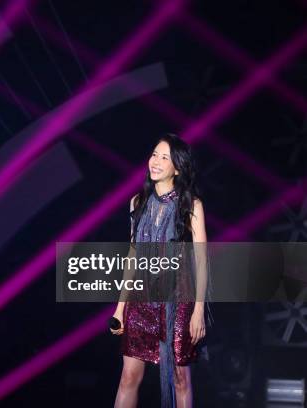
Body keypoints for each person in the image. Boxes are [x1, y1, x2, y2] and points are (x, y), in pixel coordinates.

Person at [110, 134, 210, 408]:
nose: (156, 161)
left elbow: (201, 261)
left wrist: (198, 311)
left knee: (180, 379)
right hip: (140, 302)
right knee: (128, 377)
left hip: (178, 304)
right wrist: (120, 308)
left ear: (177, 167)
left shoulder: (191, 206)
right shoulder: (137, 203)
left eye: (164, 157)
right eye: (154, 154)